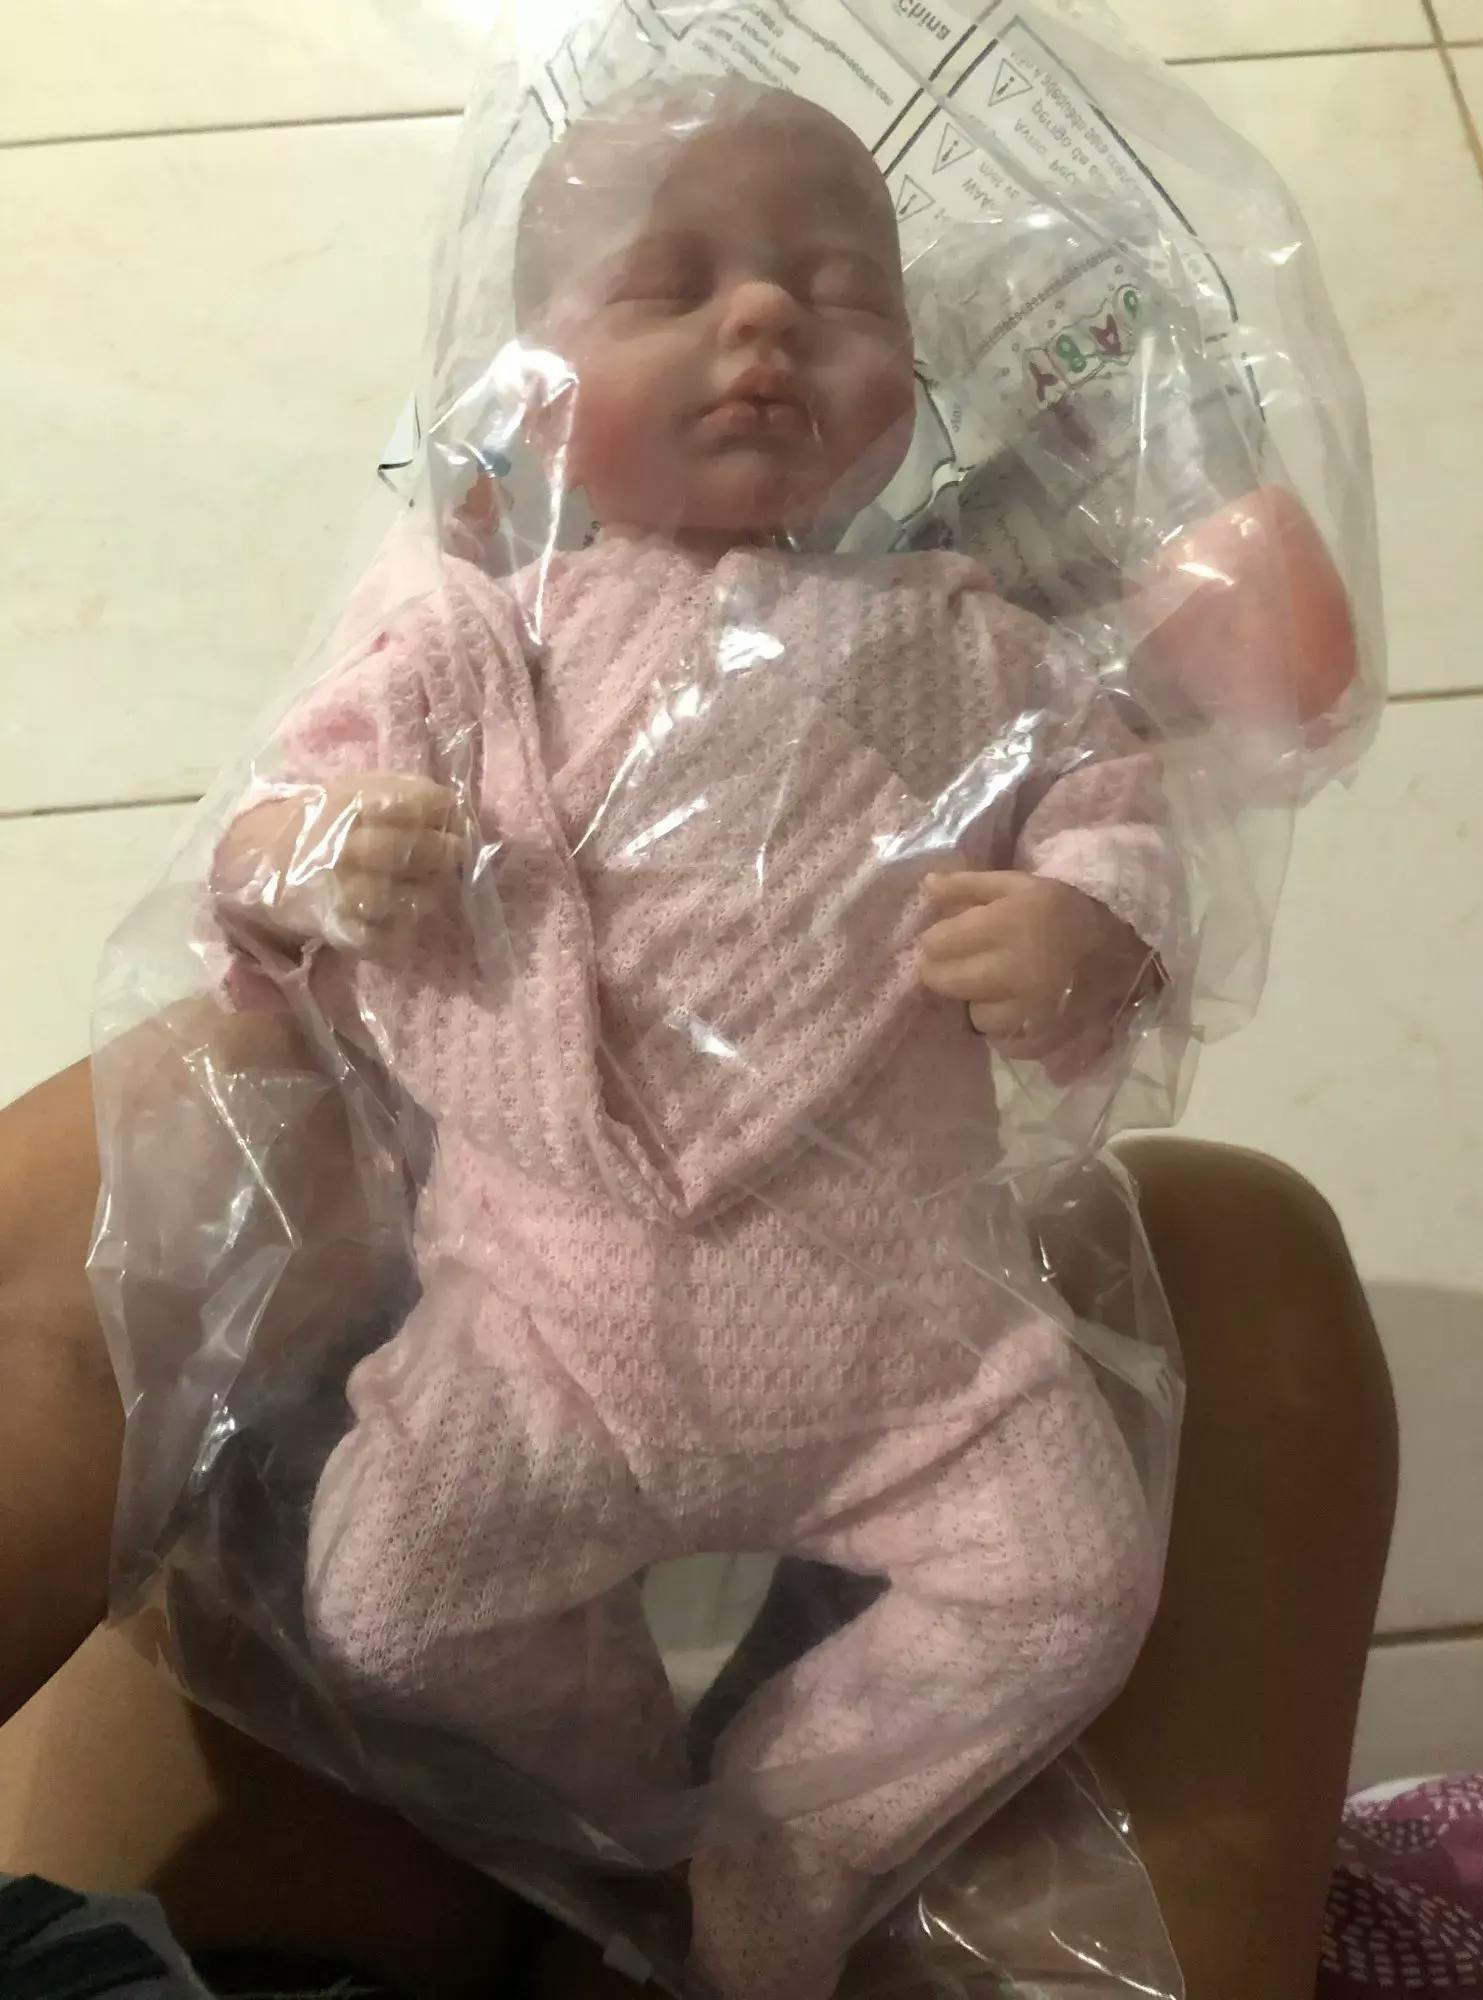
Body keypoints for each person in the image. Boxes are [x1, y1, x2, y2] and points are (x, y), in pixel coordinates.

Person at [200, 77, 1180, 1999]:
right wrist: (309, 856)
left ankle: (789, 1828)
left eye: (841, 294)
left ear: (903, 392)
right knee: (388, 1606)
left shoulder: (964, 643)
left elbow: (1104, 795)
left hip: (918, 1348)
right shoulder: (475, 631)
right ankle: (627, 1781)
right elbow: (275, 821)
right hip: (549, 1331)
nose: (766, 325)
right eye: (674, 288)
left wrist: (1094, 927)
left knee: (1074, 1586)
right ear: (530, 388)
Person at [0, 1045, 1396, 1998]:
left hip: (192, 1967)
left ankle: (662, 1831)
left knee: (283, 1381)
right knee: (1226, 1262)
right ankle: (727, 1844)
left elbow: (62, 1302)